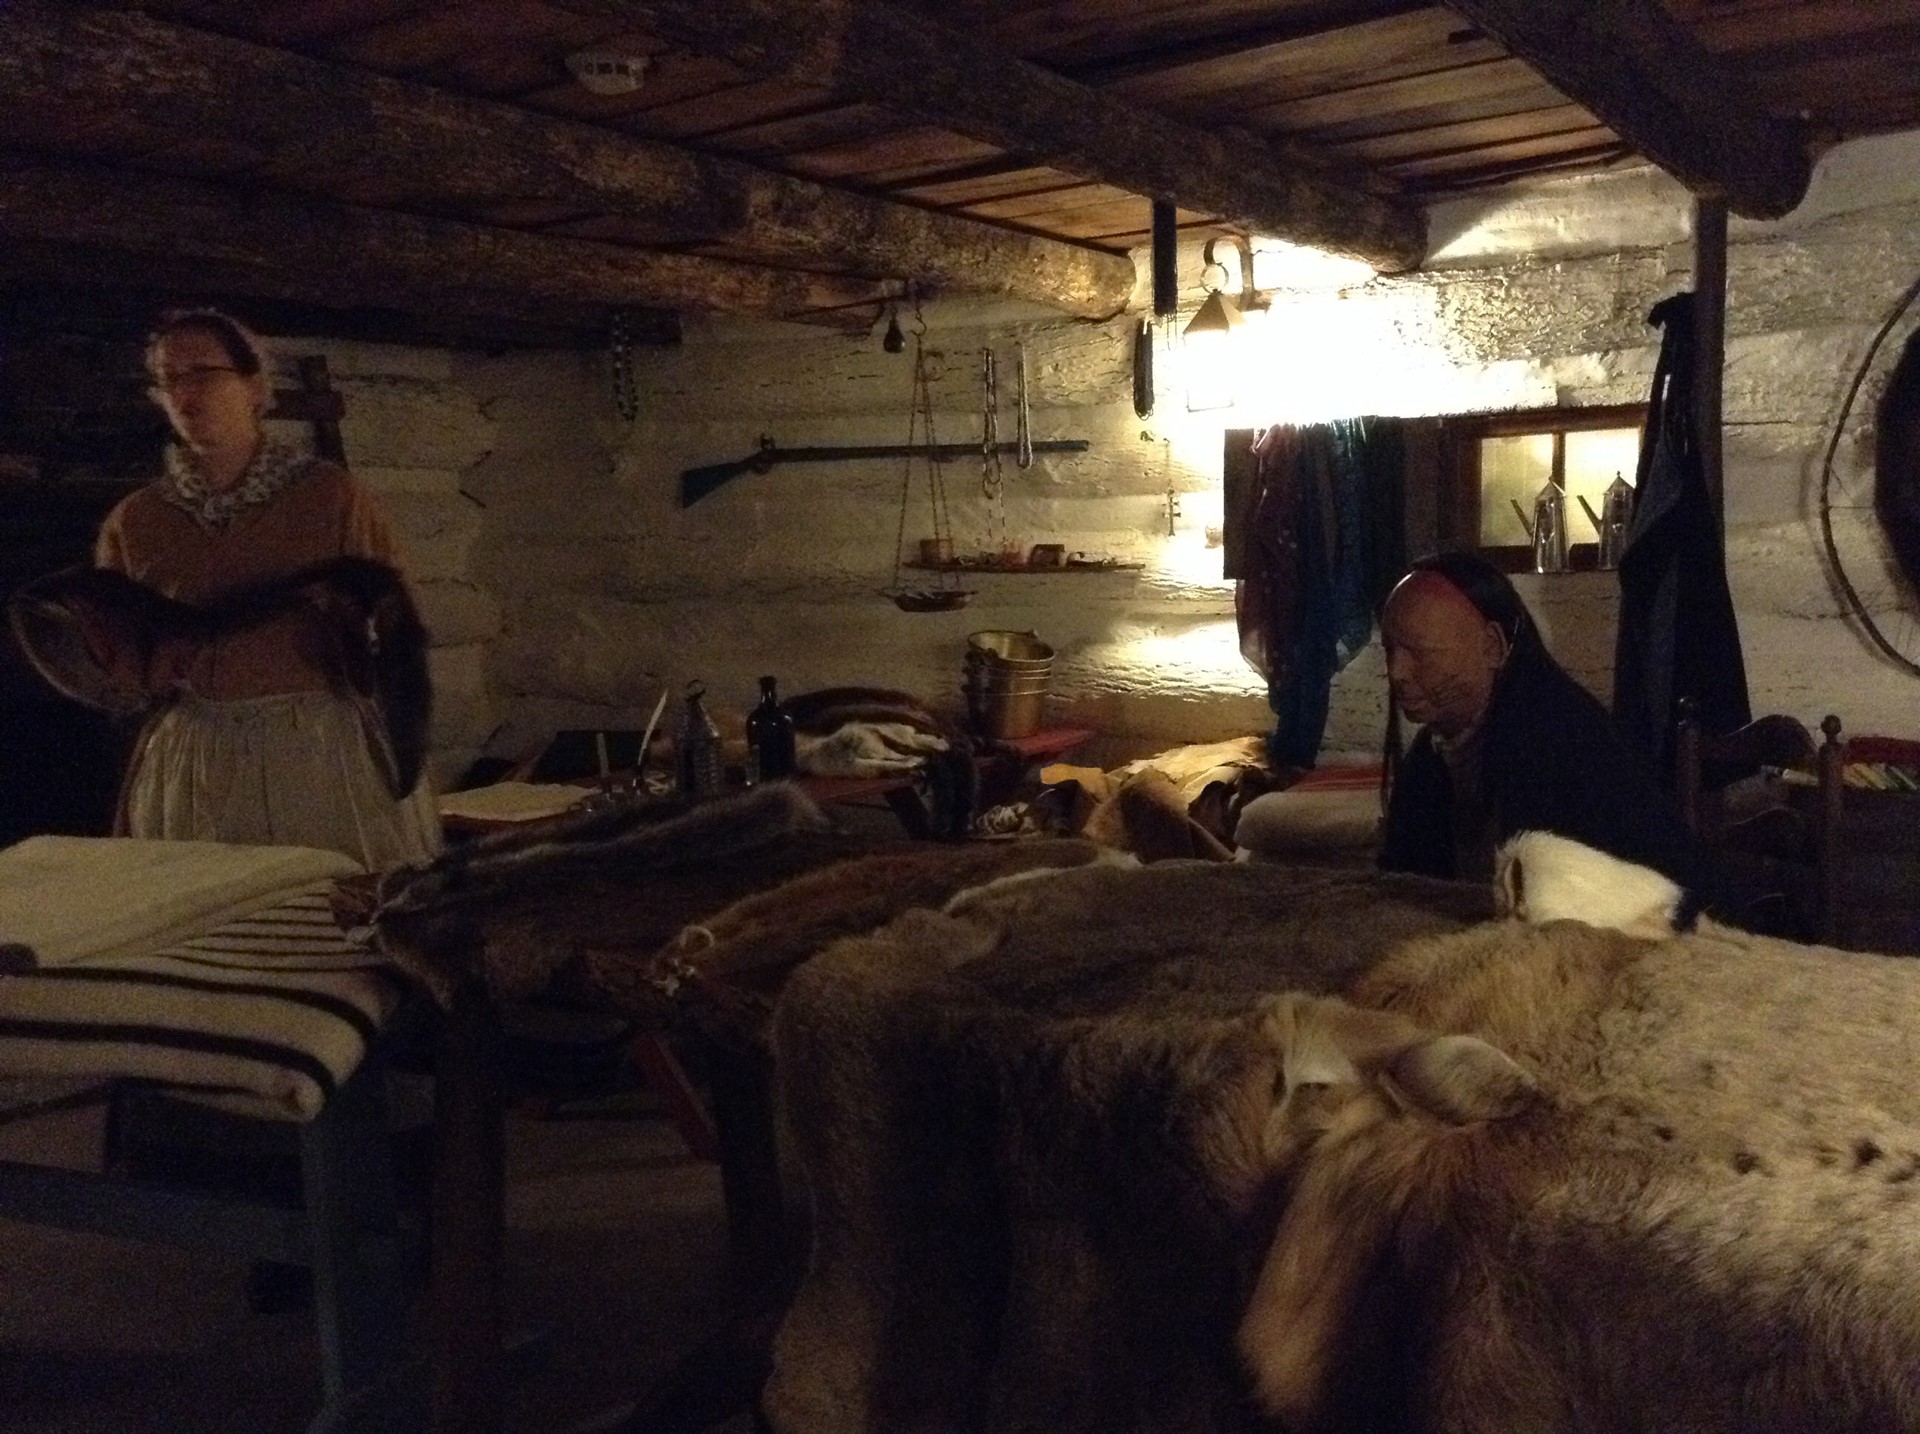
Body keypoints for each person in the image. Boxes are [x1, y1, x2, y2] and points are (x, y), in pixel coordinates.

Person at [92, 307, 440, 869]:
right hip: (195, 752)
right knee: (206, 917)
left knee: (326, 909)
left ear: (254, 387)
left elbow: (396, 626)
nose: (185, 394)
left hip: (318, 748)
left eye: (203, 374)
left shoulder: (330, 496)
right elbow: (120, 655)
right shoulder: (135, 520)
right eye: (168, 380)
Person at [1376, 551, 1697, 891]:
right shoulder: (1431, 755)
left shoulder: (1559, 745)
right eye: (1389, 650)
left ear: (1492, 647)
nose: (1397, 673)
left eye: (1421, 654)